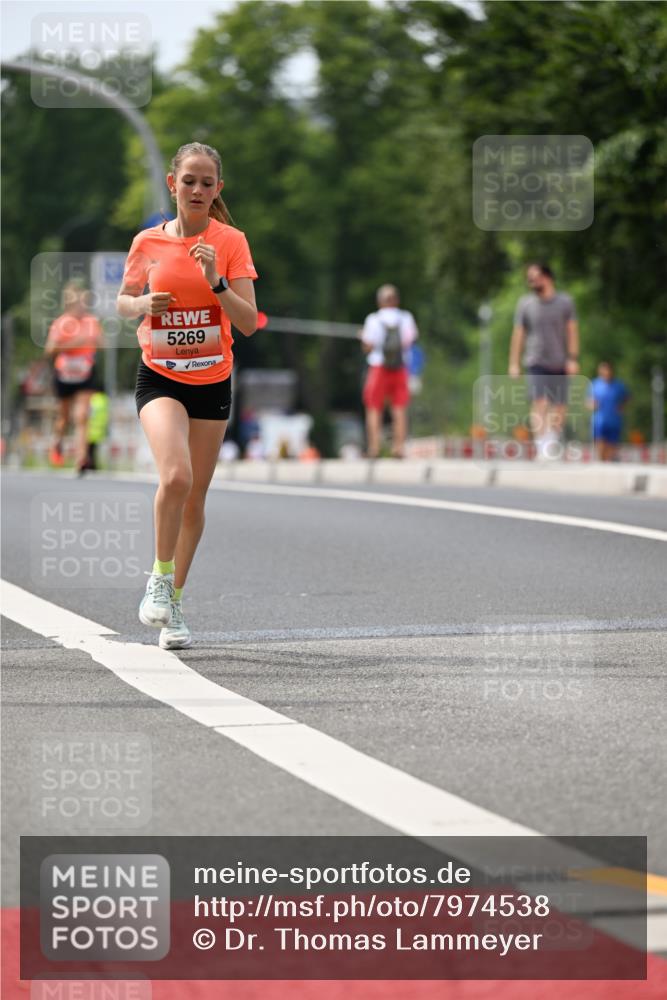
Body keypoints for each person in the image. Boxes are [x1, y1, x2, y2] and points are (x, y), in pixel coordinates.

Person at [117, 141, 258, 649]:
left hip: (212, 380)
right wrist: (141, 305)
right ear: (172, 184)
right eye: (189, 181)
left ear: (218, 189)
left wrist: (216, 282)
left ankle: (174, 602)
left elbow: (248, 322)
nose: (197, 189)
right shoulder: (147, 242)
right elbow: (122, 301)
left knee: (195, 497)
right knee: (176, 476)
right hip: (160, 376)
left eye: (207, 182)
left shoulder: (231, 242)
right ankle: (158, 578)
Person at [508, 263, 579, 460]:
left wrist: (573, 358)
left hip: (560, 360)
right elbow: (518, 334)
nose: (531, 281)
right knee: (540, 401)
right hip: (535, 360)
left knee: (560, 405)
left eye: (535, 277)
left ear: (547, 278)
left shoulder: (565, 302)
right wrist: (514, 362)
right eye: (529, 278)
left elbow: (572, 330)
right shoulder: (525, 304)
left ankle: (552, 439)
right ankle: (542, 445)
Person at [44, 279, 103, 472]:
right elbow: (50, 350)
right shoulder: (61, 323)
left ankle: (81, 459)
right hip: (65, 375)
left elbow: (101, 343)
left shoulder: (91, 322)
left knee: (82, 415)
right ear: (69, 304)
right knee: (64, 418)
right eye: (78, 304)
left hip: (85, 373)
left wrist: (97, 341)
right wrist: (76, 343)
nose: (82, 307)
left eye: (84, 303)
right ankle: (57, 441)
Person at [361, 284, 418, 458]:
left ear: (380, 302)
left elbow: (368, 347)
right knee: (399, 407)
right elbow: (410, 341)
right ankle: (398, 447)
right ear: (397, 300)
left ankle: (374, 448)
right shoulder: (406, 318)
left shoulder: (373, 319)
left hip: (378, 366)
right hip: (400, 367)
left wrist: (362, 338)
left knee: (374, 407)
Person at [587, 361, 630, 461]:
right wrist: (592, 405)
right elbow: (588, 401)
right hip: (599, 420)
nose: (605, 372)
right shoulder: (595, 384)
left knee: (612, 444)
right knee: (600, 441)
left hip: (614, 420)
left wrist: (622, 406)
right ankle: (601, 461)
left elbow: (628, 397)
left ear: (611, 371)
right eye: (603, 370)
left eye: (607, 370)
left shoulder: (619, 385)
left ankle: (609, 461)